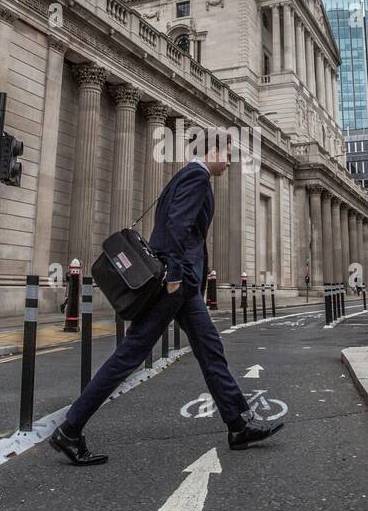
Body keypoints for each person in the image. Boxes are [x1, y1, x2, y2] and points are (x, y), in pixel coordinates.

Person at [50, 141, 282, 466]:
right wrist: (175, 273)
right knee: (130, 354)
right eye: (228, 156)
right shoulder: (196, 178)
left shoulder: (184, 176)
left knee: (210, 348)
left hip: (183, 286)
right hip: (176, 285)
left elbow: (174, 227)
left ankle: (238, 423)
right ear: (212, 151)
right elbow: (175, 226)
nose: (229, 163)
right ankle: (70, 429)